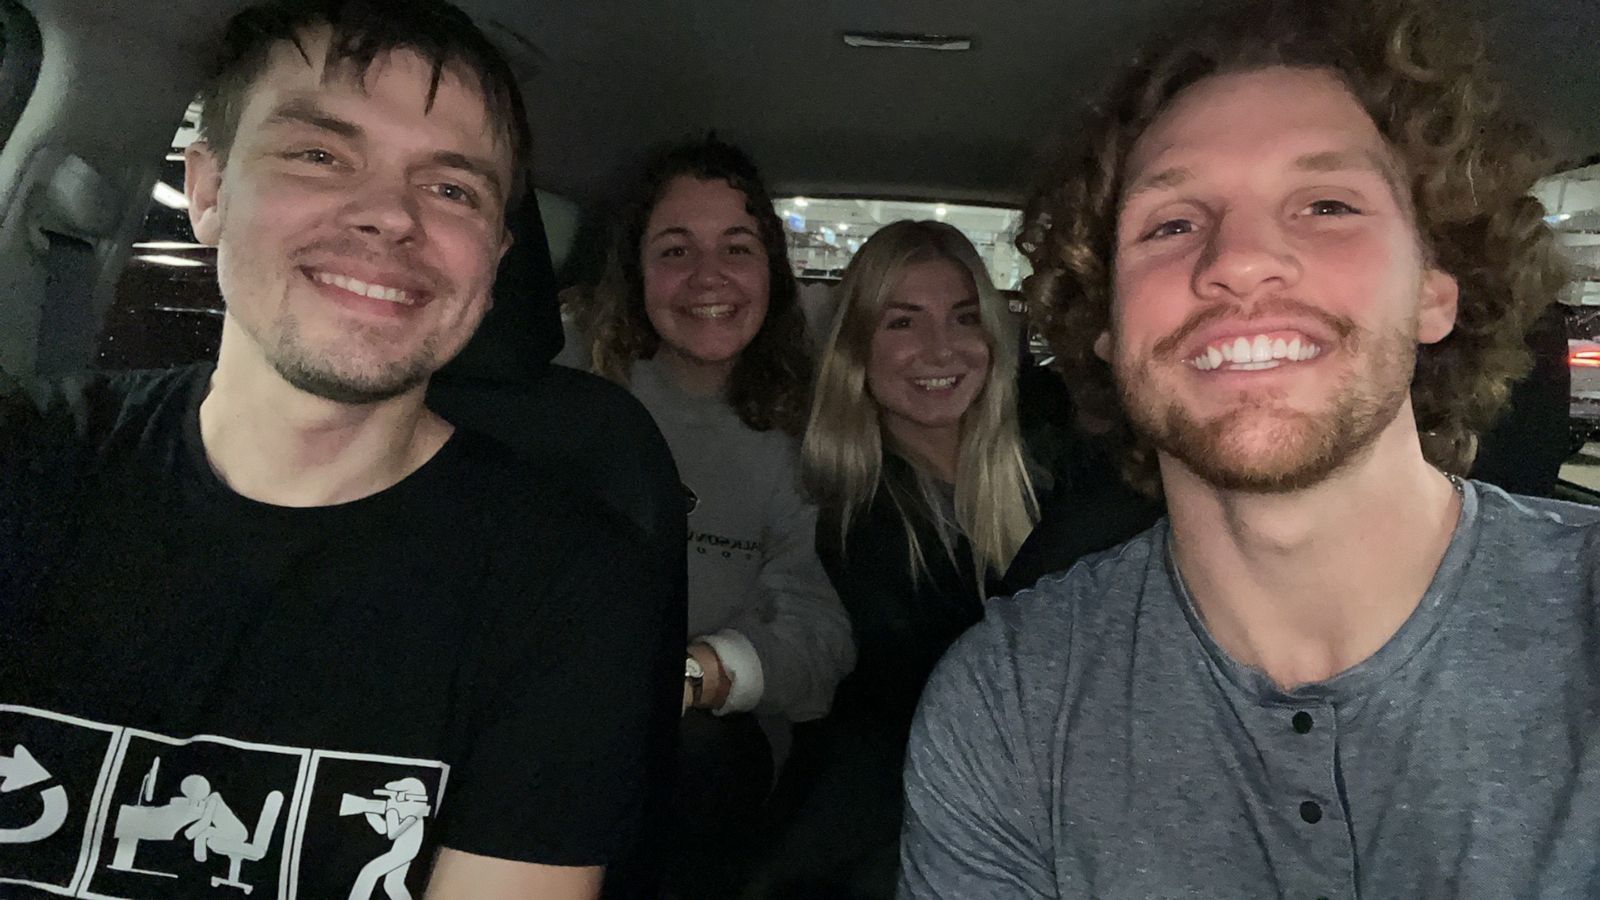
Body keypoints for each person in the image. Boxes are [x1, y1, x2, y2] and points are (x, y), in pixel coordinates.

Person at [899, 0, 1597, 896]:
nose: (1240, 258)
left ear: (1434, 289)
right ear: (1108, 326)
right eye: (1172, 224)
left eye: (1326, 204)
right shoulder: (1009, 705)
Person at [0, 1, 676, 896]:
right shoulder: (26, 460)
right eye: (320, 155)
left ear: (497, 258)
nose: (390, 216)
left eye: (451, 188)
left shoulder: (571, 585)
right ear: (207, 191)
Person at [566, 136, 855, 898]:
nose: (709, 277)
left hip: (705, 753)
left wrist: (698, 675)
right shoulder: (569, 389)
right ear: (635, 271)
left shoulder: (805, 428)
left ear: (772, 270)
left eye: (737, 246)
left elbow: (818, 640)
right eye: (674, 250)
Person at [746, 220, 1038, 898]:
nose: (940, 348)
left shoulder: (1054, 475)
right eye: (902, 323)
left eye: (964, 318)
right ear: (857, 349)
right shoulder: (841, 510)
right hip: (887, 834)